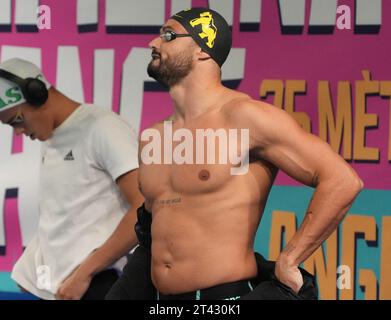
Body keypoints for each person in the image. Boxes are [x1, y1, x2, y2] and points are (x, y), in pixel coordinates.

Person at [107, 7, 363, 300]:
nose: (153, 43)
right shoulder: (154, 136)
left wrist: (290, 259)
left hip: (224, 299)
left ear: (203, 50)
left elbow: (342, 181)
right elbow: (153, 234)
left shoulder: (245, 117)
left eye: (168, 35)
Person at [0, 58, 144, 300]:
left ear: (37, 95)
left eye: (17, 120)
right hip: (66, 290)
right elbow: (67, 216)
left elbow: (145, 208)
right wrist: (31, 273)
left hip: (97, 284)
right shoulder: (53, 137)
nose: (18, 132)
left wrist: (83, 275)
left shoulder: (103, 127)